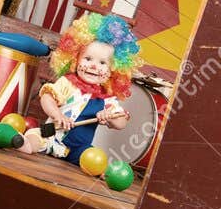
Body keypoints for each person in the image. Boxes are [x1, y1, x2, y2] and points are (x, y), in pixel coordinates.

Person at [20, 13, 139, 163]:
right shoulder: (68, 83)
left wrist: (109, 116)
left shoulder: (106, 99)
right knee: (35, 134)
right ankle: (27, 144)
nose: (94, 66)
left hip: (79, 149)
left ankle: (101, 172)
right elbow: (47, 97)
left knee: (94, 158)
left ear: (112, 71)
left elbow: (121, 122)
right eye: (88, 59)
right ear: (75, 59)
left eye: (103, 63)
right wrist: (57, 115)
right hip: (52, 136)